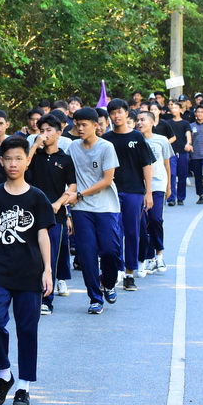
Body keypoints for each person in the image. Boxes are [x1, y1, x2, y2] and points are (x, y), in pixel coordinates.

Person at [0, 135, 54, 405]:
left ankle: (23, 386)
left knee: (27, 329)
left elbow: (43, 235)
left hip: (29, 272)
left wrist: (48, 270)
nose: (13, 163)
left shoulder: (37, 197)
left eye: (18, 158)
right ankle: (4, 374)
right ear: (0, 161)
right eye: (8, 158)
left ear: (27, 161)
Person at [69, 107, 123, 313]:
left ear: (95, 126)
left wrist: (80, 194)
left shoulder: (106, 147)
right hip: (81, 209)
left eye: (84, 125)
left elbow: (107, 180)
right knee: (87, 254)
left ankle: (108, 282)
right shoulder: (72, 147)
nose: (80, 129)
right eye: (77, 125)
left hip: (106, 207)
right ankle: (95, 298)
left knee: (110, 251)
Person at [26, 114, 77, 314]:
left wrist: (59, 203)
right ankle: (30, 295)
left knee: (51, 257)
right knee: (32, 256)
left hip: (56, 214)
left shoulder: (65, 159)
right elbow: (22, 167)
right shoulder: (34, 156)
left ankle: (46, 300)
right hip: (31, 212)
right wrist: (34, 145)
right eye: (41, 130)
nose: (45, 134)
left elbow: (72, 187)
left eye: (49, 130)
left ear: (59, 133)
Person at [103, 99, 154, 289]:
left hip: (134, 191)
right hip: (110, 192)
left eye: (119, 112)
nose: (116, 116)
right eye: (113, 113)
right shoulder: (106, 139)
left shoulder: (137, 137)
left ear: (126, 113)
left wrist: (149, 192)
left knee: (132, 232)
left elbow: (147, 165)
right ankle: (116, 269)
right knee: (113, 232)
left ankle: (129, 273)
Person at [136, 111, 174, 273]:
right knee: (143, 224)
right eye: (137, 120)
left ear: (152, 122)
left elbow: (167, 165)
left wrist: (169, 186)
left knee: (156, 219)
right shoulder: (134, 140)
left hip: (158, 184)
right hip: (139, 186)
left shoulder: (162, 140)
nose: (139, 123)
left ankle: (159, 254)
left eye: (143, 120)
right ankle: (148, 257)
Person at [166, 101, 193, 206]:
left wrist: (188, 143)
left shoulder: (185, 123)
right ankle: (171, 198)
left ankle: (181, 197)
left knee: (182, 174)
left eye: (176, 108)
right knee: (172, 174)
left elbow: (188, 135)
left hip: (182, 152)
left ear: (181, 110)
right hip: (171, 152)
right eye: (172, 108)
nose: (174, 110)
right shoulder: (168, 123)